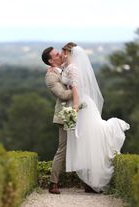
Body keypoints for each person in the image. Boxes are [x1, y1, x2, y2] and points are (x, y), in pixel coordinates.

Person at [60, 42, 130, 192]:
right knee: (85, 143)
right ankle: (90, 182)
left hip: (81, 106)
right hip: (84, 104)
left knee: (88, 142)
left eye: (64, 52)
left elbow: (76, 91)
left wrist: (75, 109)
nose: (63, 55)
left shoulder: (73, 68)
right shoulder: (71, 67)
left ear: (69, 53)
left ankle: (92, 182)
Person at [41, 46, 73, 194]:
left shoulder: (67, 67)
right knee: (63, 149)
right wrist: (80, 88)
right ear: (50, 60)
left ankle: (88, 183)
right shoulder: (50, 76)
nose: (60, 55)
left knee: (83, 146)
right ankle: (53, 183)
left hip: (78, 110)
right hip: (66, 114)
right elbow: (63, 95)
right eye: (56, 54)